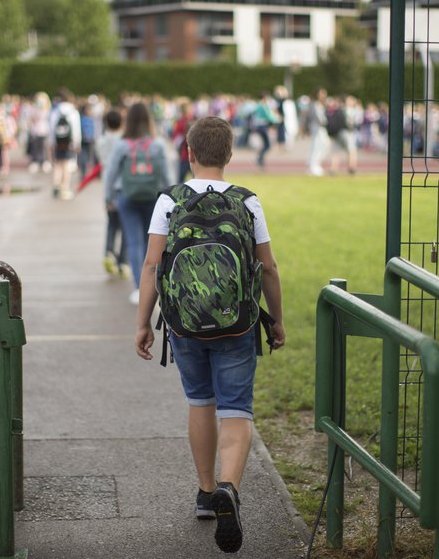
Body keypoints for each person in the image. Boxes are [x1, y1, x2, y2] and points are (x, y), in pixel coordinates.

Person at [134, 116, 286, 554]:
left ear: (190, 153)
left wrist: (144, 322)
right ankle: (229, 489)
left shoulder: (169, 200)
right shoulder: (248, 202)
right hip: (236, 322)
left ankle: (205, 494)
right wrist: (276, 320)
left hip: (183, 322)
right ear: (230, 155)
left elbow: (151, 265)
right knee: (236, 408)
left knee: (200, 400)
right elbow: (269, 267)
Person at [103, 101, 170, 304]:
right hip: (152, 197)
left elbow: (110, 173)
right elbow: (167, 176)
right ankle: (155, 288)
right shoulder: (157, 145)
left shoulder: (122, 145)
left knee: (134, 242)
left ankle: (139, 288)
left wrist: (109, 198)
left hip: (127, 196)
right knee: (153, 244)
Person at [95, 109, 129, 278]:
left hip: (108, 185)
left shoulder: (101, 141)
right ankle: (123, 261)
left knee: (111, 225)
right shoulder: (124, 141)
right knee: (125, 227)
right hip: (123, 187)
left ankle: (108, 253)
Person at [49, 89, 82, 200]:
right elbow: (76, 129)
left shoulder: (55, 111)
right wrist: (77, 143)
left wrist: (52, 143)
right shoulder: (73, 111)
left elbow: (52, 128)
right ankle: (64, 187)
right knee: (67, 165)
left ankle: (56, 185)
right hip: (69, 142)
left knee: (58, 164)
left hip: (58, 142)